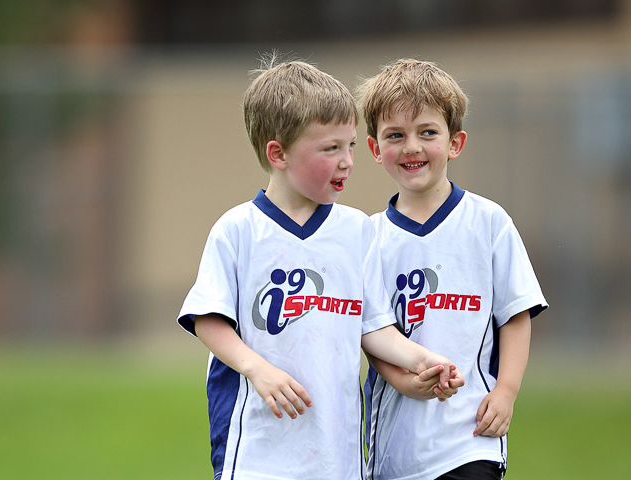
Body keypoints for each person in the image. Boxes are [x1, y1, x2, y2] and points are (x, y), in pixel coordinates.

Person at [177, 57, 461, 480]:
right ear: (279, 154)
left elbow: (375, 326)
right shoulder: (238, 231)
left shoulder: (357, 231)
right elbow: (208, 319)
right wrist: (259, 370)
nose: (347, 160)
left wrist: (424, 360)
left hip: (337, 456)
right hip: (259, 453)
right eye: (330, 148)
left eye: (350, 145)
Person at [357, 58, 549, 480]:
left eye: (427, 132)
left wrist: (506, 392)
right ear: (374, 149)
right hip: (394, 452)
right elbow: (371, 334)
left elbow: (515, 314)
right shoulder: (366, 237)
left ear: (455, 142)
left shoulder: (489, 222)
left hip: (470, 438)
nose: (412, 147)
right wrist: (405, 382)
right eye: (395, 135)